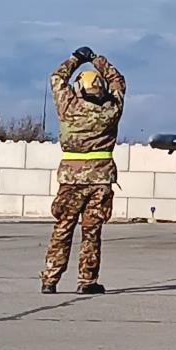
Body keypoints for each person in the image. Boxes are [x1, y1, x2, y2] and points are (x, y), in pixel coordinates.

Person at [40, 47, 125, 295]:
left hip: (71, 179)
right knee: (92, 231)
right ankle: (87, 281)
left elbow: (57, 78)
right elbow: (118, 81)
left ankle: (50, 280)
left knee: (63, 227)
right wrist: (98, 60)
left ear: (79, 88)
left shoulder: (69, 106)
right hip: (100, 180)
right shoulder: (111, 109)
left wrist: (77, 59)